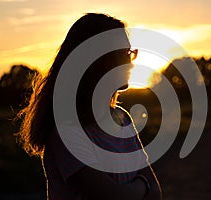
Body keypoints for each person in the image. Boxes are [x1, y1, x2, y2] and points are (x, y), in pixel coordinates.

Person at [16, 13, 162, 200]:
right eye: (122, 54)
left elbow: (156, 192)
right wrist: (143, 185)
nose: (130, 63)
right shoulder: (66, 132)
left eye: (130, 53)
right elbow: (115, 197)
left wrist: (142, 188)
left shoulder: (122, 118)